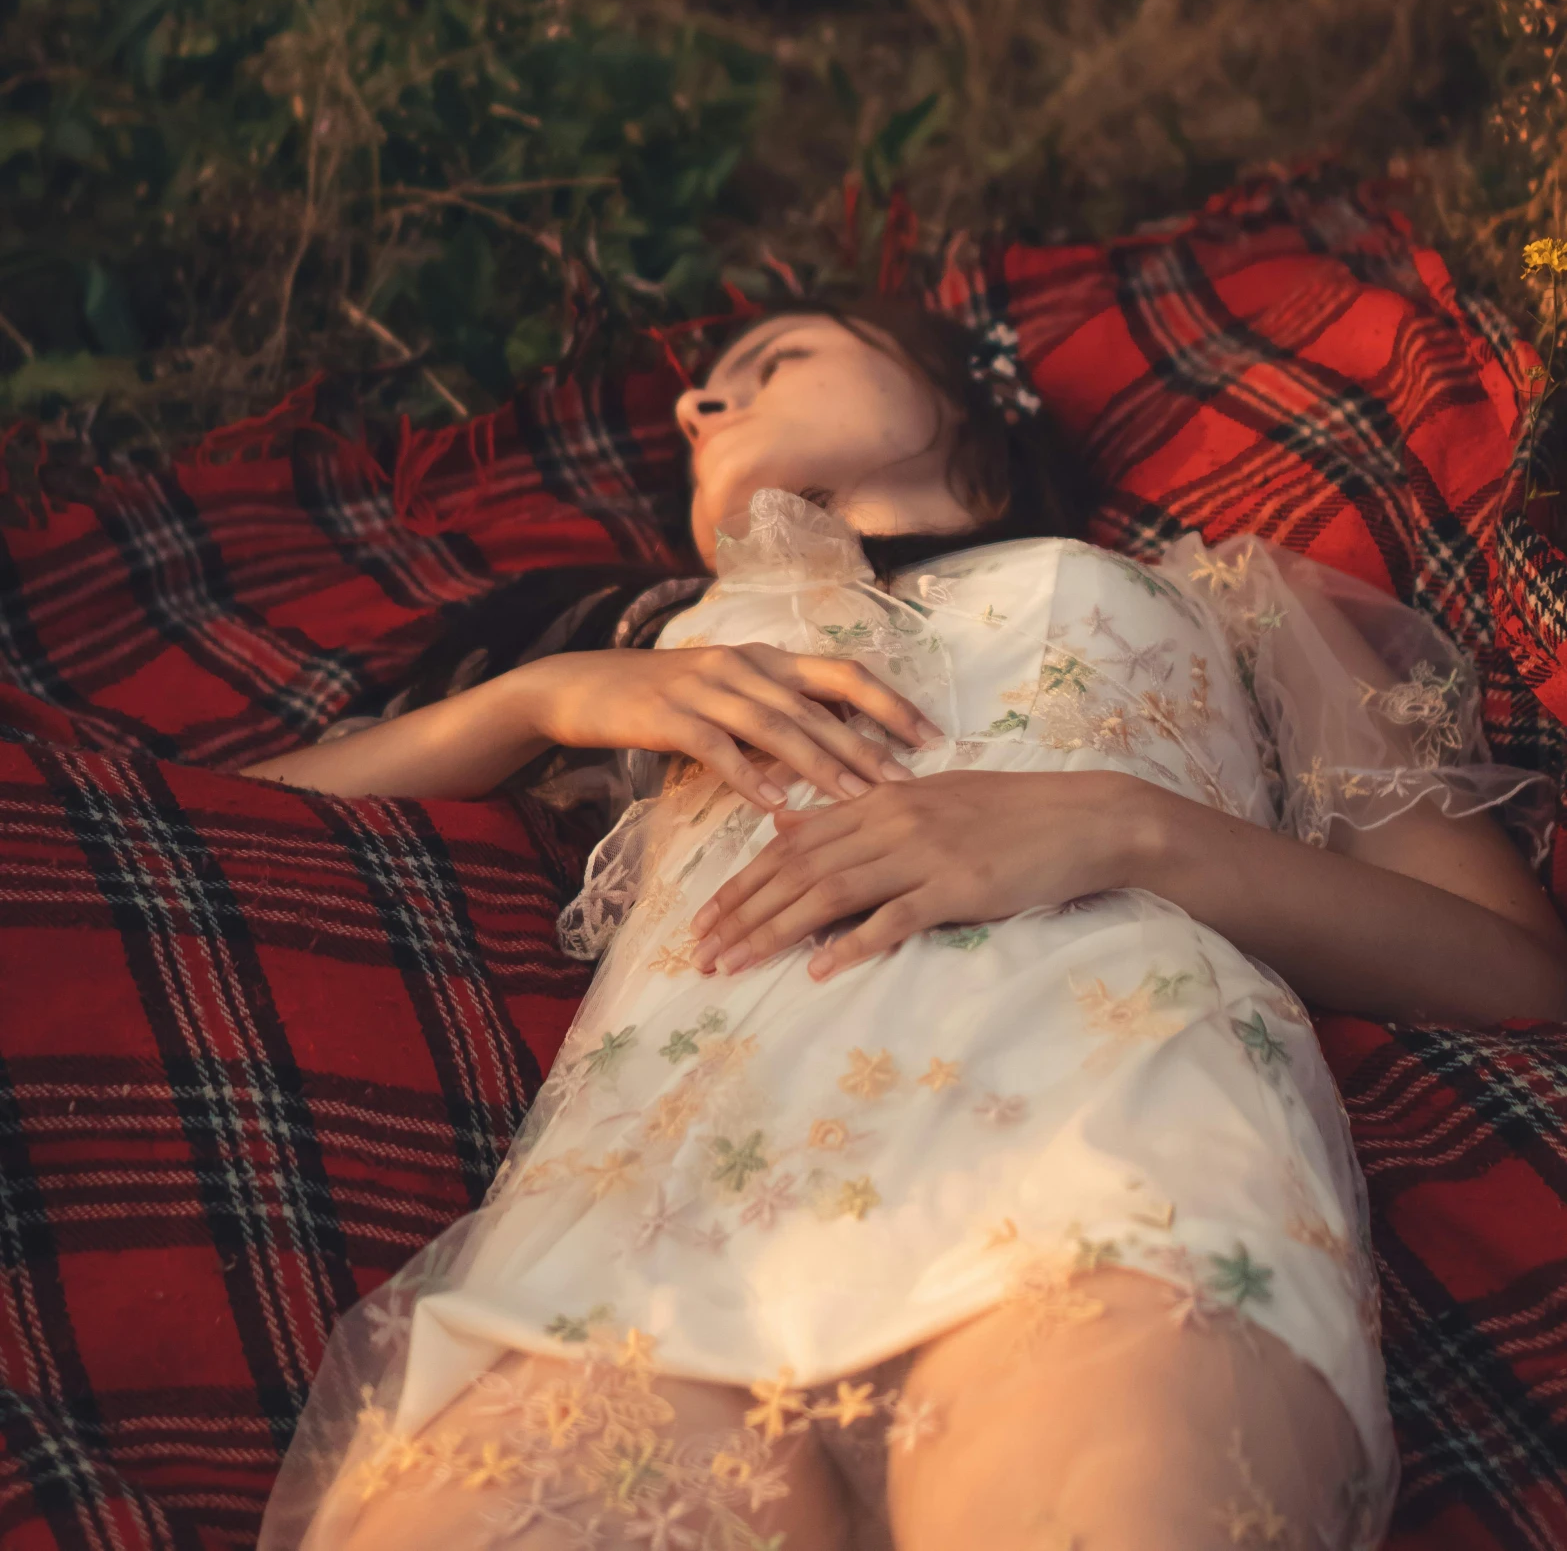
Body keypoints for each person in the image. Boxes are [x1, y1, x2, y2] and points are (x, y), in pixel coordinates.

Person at [246, 300, 1567, 1551]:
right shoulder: (655, 650)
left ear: (962, 392)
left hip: (1102, 1154)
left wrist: (1123, 825)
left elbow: (1511, 969)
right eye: (702, 399)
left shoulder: (1229, 599)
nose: (706, 397)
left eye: (779, 352)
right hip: (649, 1230)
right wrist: (535, 700)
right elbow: (229, 815)